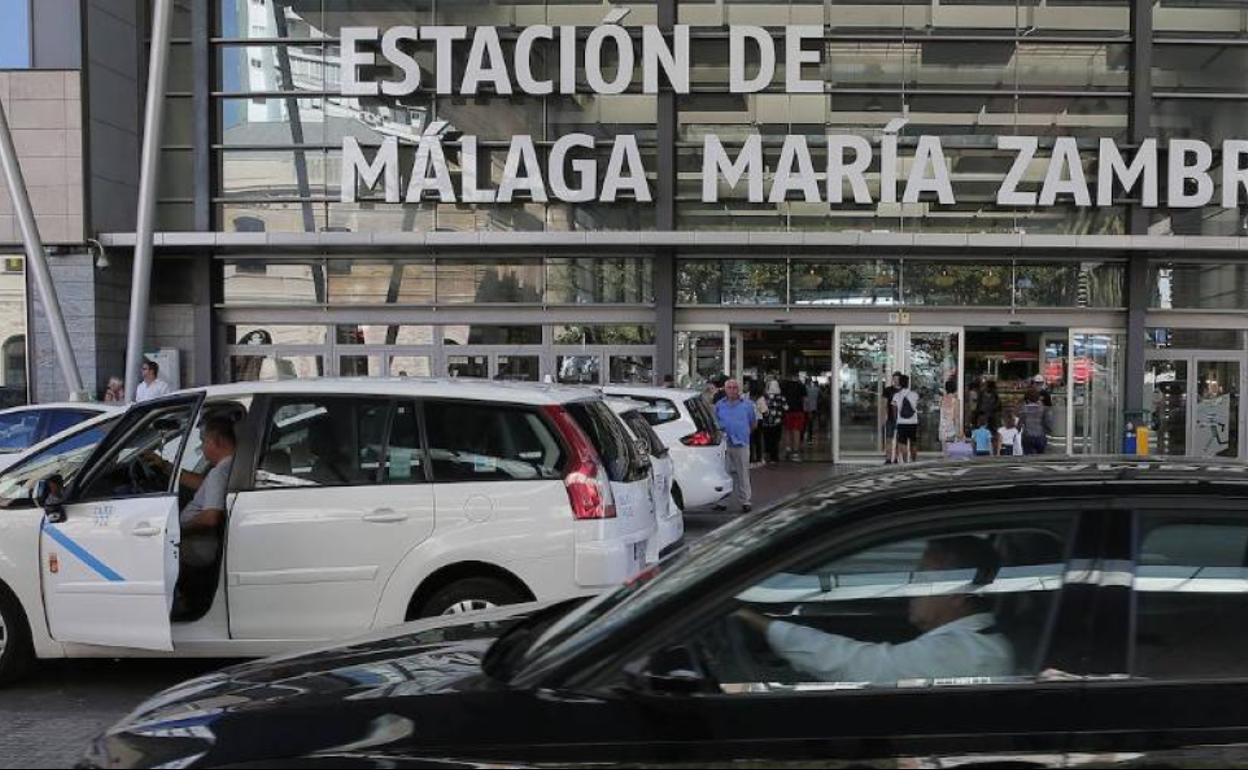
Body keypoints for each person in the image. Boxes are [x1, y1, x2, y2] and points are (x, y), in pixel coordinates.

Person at [735, 536, 1013, 685]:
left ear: (959, 594)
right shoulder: (972, 643)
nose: (910, 588)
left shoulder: (965, 654)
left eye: (924, 578)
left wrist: (758, 622)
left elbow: (857, 665)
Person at [715, 379, 757, 513]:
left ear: (738, 389)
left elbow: (753, 423)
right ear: (725, 390)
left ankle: (745, 501)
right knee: (724, 473)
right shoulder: (719, 405)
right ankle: (722, 502)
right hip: (724, 444)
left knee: (743, 473)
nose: (732, 390)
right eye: (729, 387)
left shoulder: (748, 405)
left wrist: (744, 433)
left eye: (735, 387)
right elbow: (715, 422)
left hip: (741, 443)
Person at [891, 374, 920, 463]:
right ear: (908, 383)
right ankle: (914, 460)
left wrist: (896, 419)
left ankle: (905, 461)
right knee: (913, 442)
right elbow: (916, 407)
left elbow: (894, 409)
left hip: (901, 422)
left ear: (900, 383)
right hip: (913, 422)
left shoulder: (896, 395)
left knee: (903, 442)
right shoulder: (914, 395)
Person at [1019, 387, 1052, 456]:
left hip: (1027, 436)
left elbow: (1020, 423)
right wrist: (1049, 431)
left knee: (1028, 456)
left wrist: (1017, 429)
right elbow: (1047, 422)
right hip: (1040, 435)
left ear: (1027, 398)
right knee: (1040, 456)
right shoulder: (1043, 409)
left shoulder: (1023, 408)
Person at [781, 377, 807, 462]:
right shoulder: (801, 386)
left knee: (787, 430)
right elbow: (804, 399)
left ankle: (788, 449)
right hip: (798, 411)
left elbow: (782, 398)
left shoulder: (784, 385)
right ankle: (795, 452)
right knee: (796, 431)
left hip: (787, 411)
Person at [762, 379, 786, 464]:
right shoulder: (781, 397)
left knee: (767, 439)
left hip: (766, 422)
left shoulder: (765, 397)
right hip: (777, 422)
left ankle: (767, 456)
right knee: (775, 440)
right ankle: (774, 457)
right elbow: (786, 408)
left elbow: (761, 409)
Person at [882, 371, 902, 464]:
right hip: (890, 418)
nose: (896, 381)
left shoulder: (904, 390)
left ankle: (896, 459)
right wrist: (884, 416)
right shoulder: (888, 390)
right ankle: (888, 458)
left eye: (897, 379)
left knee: (899, 440)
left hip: (901, 419)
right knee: (889, 439)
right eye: (894, 379)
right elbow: (884, 404)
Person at [939, 379, 961, 450]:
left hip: (943, 428)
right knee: (952, 451)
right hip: (952, 429)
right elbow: (956, 417)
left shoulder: (942, 400)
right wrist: (959, 431)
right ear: (955, 388)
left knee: (945, 451)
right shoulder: (956, 401)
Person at [749, 380, 767, 465]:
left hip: (749, 420)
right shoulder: (760, 398)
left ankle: (751, 458)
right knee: (758, 440)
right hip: (759, 419)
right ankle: (759, 458)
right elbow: (764, 410)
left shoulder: (746, 396)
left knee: (750, 440)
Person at [803, 377, 820, 445]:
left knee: (804, 423)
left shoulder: (804, 389)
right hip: (813, 408)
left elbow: (804, 399)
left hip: (805, 408)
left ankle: (802, 436)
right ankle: (809, 437)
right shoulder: (816, 389)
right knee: (810, 424)